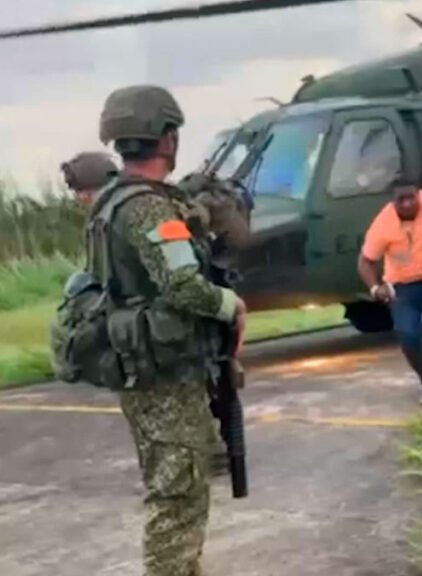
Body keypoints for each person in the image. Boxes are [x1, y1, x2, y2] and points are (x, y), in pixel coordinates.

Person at [92, 84, 246, 575]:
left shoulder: (114, 200)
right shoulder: (146, 207)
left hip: (149, 367)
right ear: (166, 137)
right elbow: (182, 286)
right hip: (165, 378)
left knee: (180, 488)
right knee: (177, 500)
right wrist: (231, 305)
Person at [358, 181, 422, 403]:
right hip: (401, 289)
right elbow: (365, 262)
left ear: (418, 195)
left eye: (411, 197)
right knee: (408, 336)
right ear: (392, 202)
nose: (407, 204)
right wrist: (375, 288)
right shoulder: (383, 225)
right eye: (401, 200)